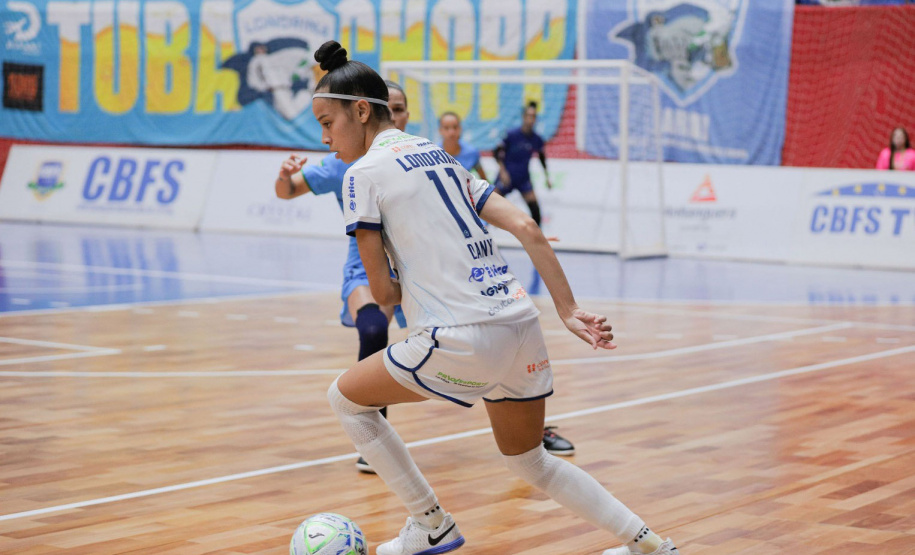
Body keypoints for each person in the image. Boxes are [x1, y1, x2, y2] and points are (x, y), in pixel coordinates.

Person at [312, 40, 679, 555]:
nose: (325, 138)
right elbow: (528, 227)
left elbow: (382, 294)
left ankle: (430, 522)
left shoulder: (362, 175)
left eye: (328, 122)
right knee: (531, 461)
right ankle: (649, 544)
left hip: (460, 333)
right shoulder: (439, 155)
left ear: (360, 110)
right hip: (521, 325)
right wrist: (568, 311)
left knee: (346, 401)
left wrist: (406, 280)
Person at [275, 80, 411, 474]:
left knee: (476, 339)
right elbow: (287, 192)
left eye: (401, 108)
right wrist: (285, 176)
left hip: (415, 265)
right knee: (373, 331)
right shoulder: (343, 162)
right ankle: (374, 439)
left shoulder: (415, 154)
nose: (397, 115)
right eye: (392, 107)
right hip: (367, 266)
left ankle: (531, 429)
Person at [438, 110, 576, 457]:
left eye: (456, 126)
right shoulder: (416, 160)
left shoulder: (467, 159)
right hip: (435, 267)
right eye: (447, 127)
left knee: (502, 331)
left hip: (472, 260)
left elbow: (481, 198)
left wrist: (524, 231)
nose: (452, 131)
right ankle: (371, 429)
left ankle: (531, 428)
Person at [493, 101, 552, 228]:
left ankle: (536, 241)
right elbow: (496, 152)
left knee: (536, 212)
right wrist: (502, 171)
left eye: (534, 116)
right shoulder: (511, 134)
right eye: (529, 116)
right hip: (507, 176)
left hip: (523, 178)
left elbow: (541, 157)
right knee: (488, 204)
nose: (531, 119)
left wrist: (547, 177)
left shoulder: (536, 139)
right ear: (524, 117)